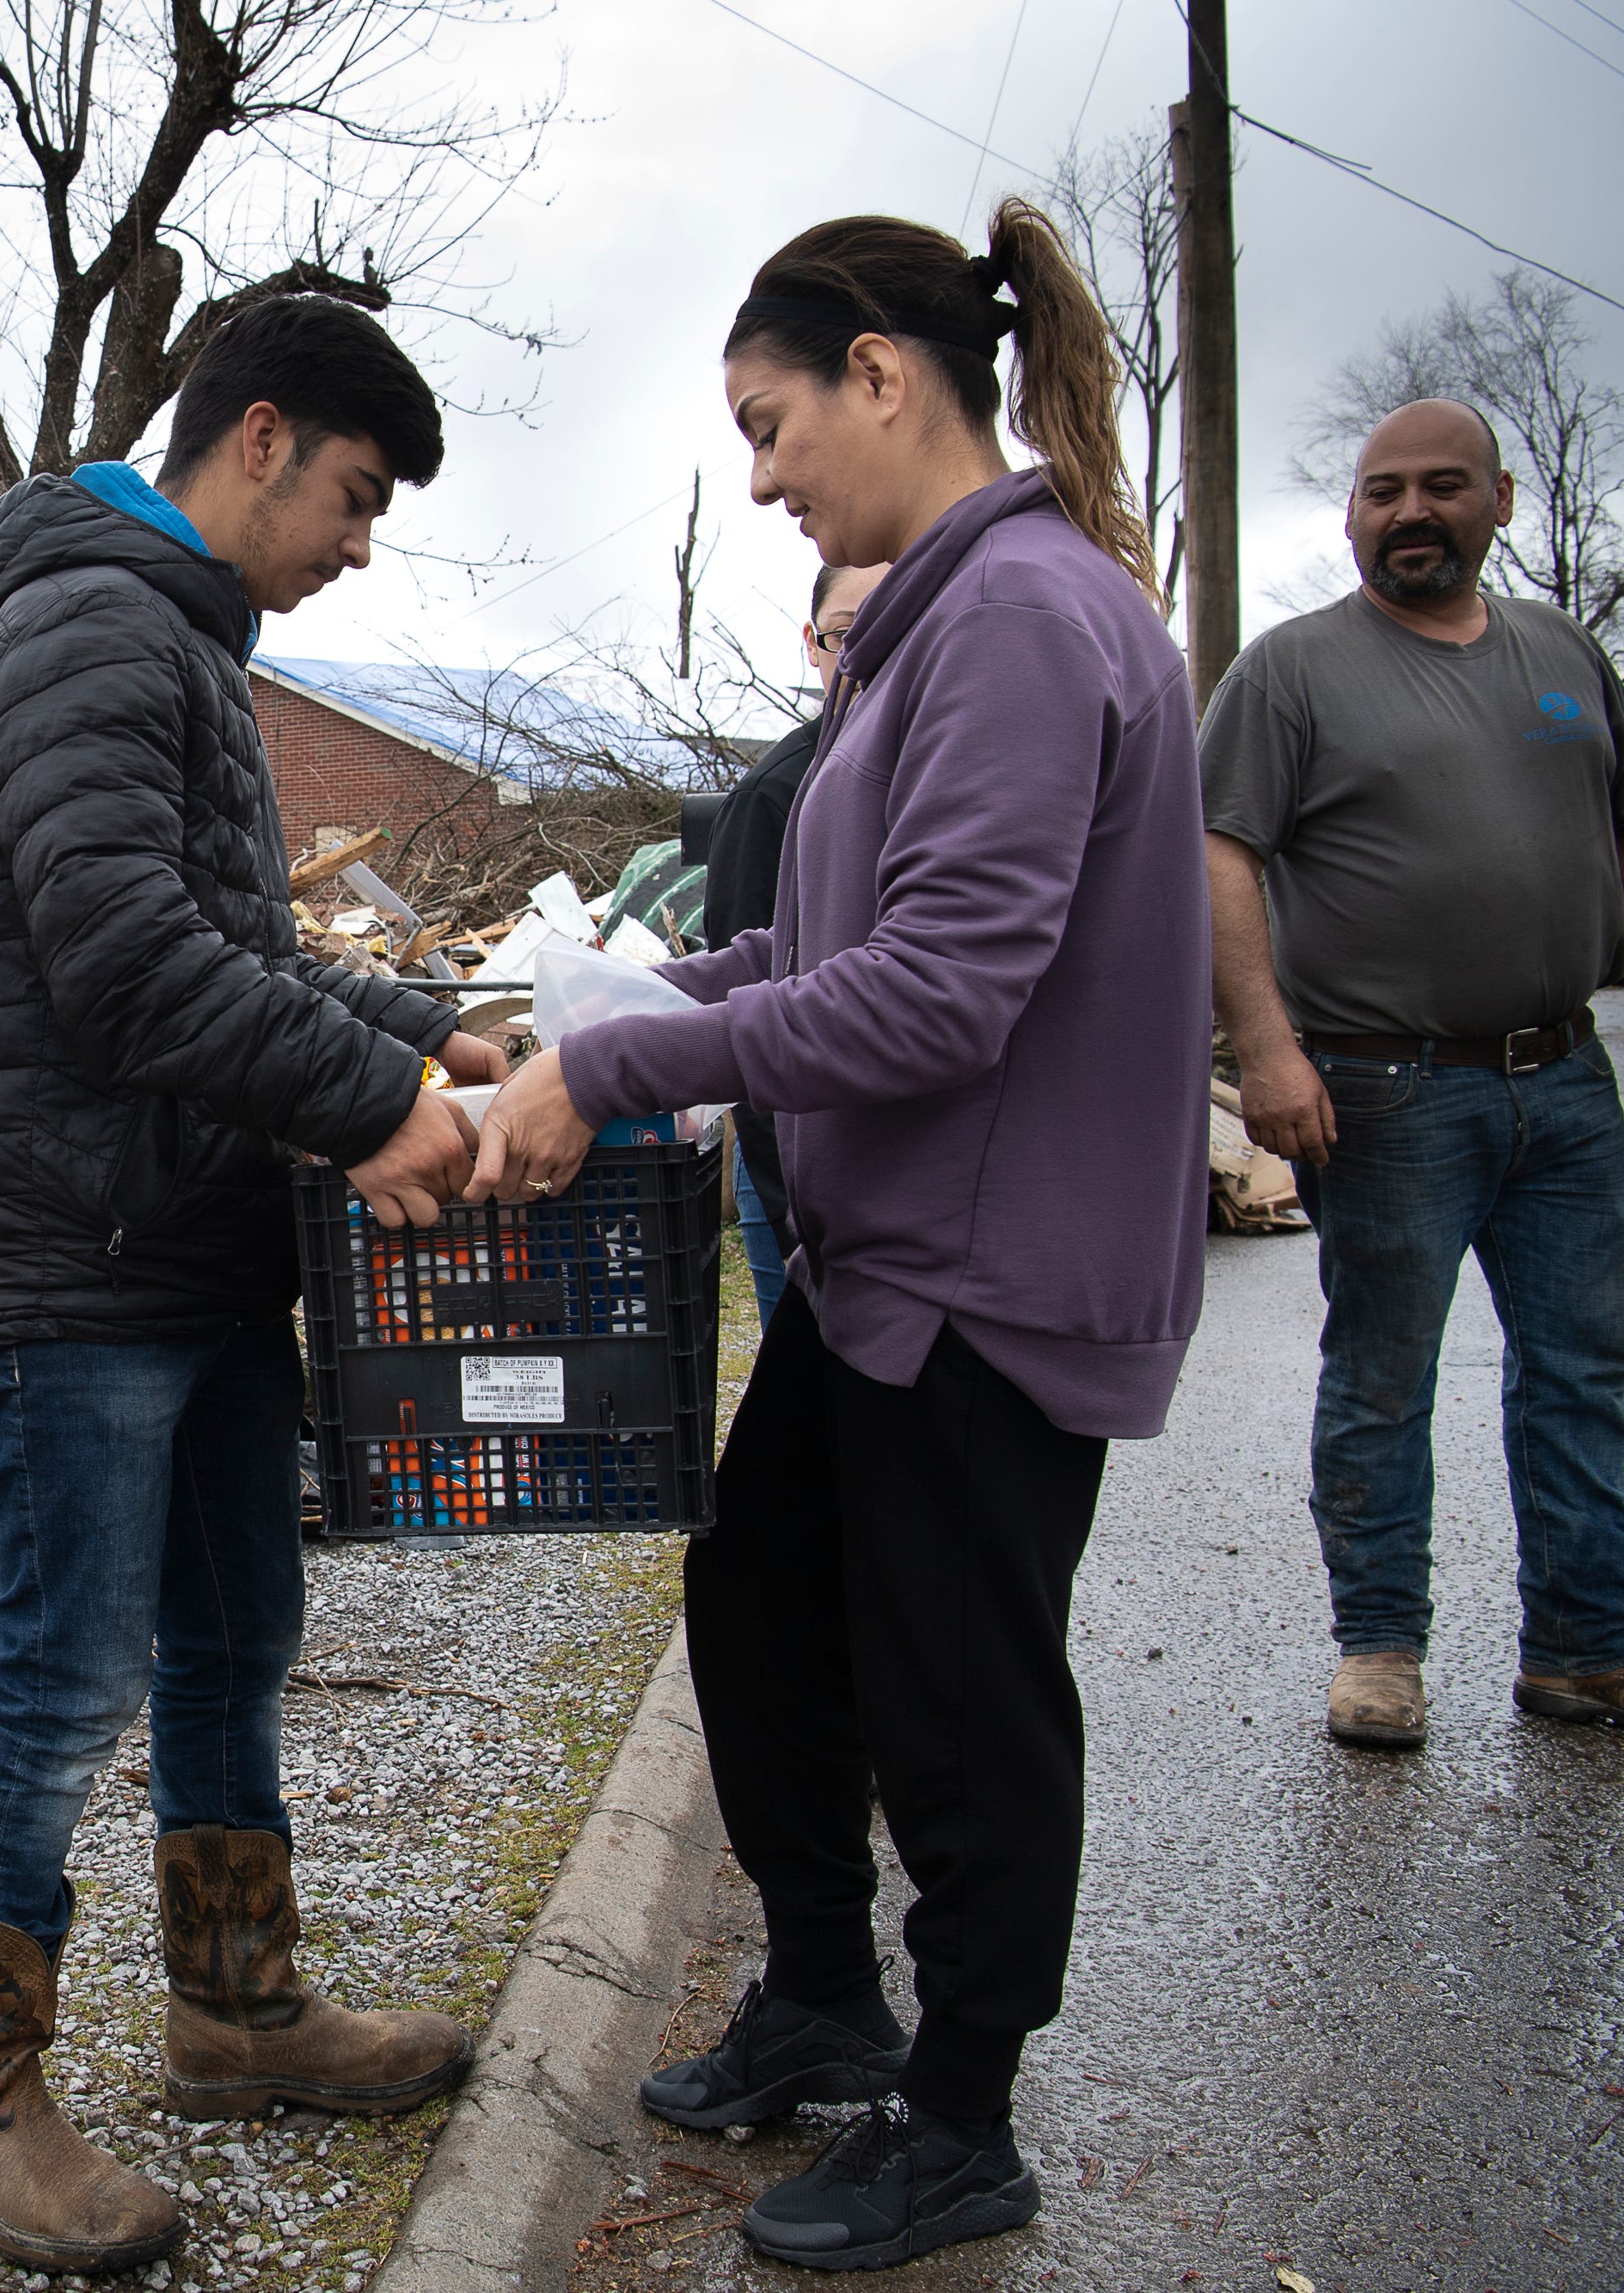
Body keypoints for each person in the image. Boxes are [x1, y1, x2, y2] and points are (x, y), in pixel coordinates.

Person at [469, 199, 1208, 2270]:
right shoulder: (937, 629)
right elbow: (847, 939)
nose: (764, 470)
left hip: (990, 1272)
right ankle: (820, 1988)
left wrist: (612, 1079)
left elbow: (950, 994)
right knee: (766, 1605)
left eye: (769, 420)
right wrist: (650, 997)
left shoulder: (1023, 621)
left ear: (879, 375)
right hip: (885, 1265)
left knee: (961, 1697)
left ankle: (960, 2115)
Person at [0, 296, 502, 2276]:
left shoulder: (171, 651)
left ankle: (235, 2013)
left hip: (194, 1253)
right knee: (69, 1676)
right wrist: (370, 1106)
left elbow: (245, 954)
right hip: (73, 1265)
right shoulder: (83, 630)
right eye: (353, 494)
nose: (357, 540)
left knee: (235, 1644)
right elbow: (126, 963)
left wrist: (429, 1035)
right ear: (255, 438)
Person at [1201, 396, 1624, 1755]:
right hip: (1385, 1089)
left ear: (1501, 499)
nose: (1410, 513)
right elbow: (1217, 859)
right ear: (1350, 515)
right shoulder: (1294, 671)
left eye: (1442, 487)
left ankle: (1589, 1648)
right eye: (1382, 492)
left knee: (1580, 1370)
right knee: (1381, 1378)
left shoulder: (1563, 655)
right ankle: (1380, 1646)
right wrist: (1267, 1048)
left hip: (1564, 1077)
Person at [705, 558, 884, 1324]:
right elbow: (753, 999)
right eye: (848, 634)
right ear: (813, 644)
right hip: (795, 1165)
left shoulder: (933, 768)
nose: (870, 654)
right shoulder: (777, 791)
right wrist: (791, 1208)